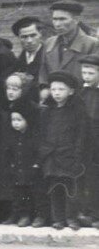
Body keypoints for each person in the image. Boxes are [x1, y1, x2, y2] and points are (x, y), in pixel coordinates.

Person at [38, 71, 87, 230]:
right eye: (53, 90)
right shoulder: (48, 111)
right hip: (51, 156)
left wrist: (77, 155)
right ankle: (57, 218)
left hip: (69, 156)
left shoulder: (76, 111)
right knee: (54, 187)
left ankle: (71, 218)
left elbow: (81, 135)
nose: (57, 93)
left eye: (61, 89)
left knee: (70, 188)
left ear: (71, 91)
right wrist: (44, 152)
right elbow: (42, 133)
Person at [0, 97, 41, 227]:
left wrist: (36, 164)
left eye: (19, 120)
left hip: (30, 170)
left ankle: (26, 215)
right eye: (13, 120)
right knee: (16, 194)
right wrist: (9, 164)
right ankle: (16, 213)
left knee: (28, 194)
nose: (15, 123)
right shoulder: (12, 136)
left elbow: (39, 151)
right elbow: (8, 152)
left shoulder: (33, 136)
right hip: (16, 170)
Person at [39, 0, 99, 87]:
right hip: (54, 96)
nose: (57, 24)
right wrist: (44, 88)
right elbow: (43, 73)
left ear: (76, 20)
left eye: (62, 19)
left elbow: (94, 79)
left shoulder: (92, 44)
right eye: (54, 19)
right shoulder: (49, 43)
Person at [78, 55, 99, 227]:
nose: (86, 76)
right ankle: (89, 213)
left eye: (91, 73)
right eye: (84, 72)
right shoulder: (83, 91)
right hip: (86, 142)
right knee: (88, 178)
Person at [11, 16, 45, 83]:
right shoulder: (18, 61)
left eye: (33, 35)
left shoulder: (49, 57)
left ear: (40, 34)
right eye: (24, 37)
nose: (29, 41)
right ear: (19, 38)